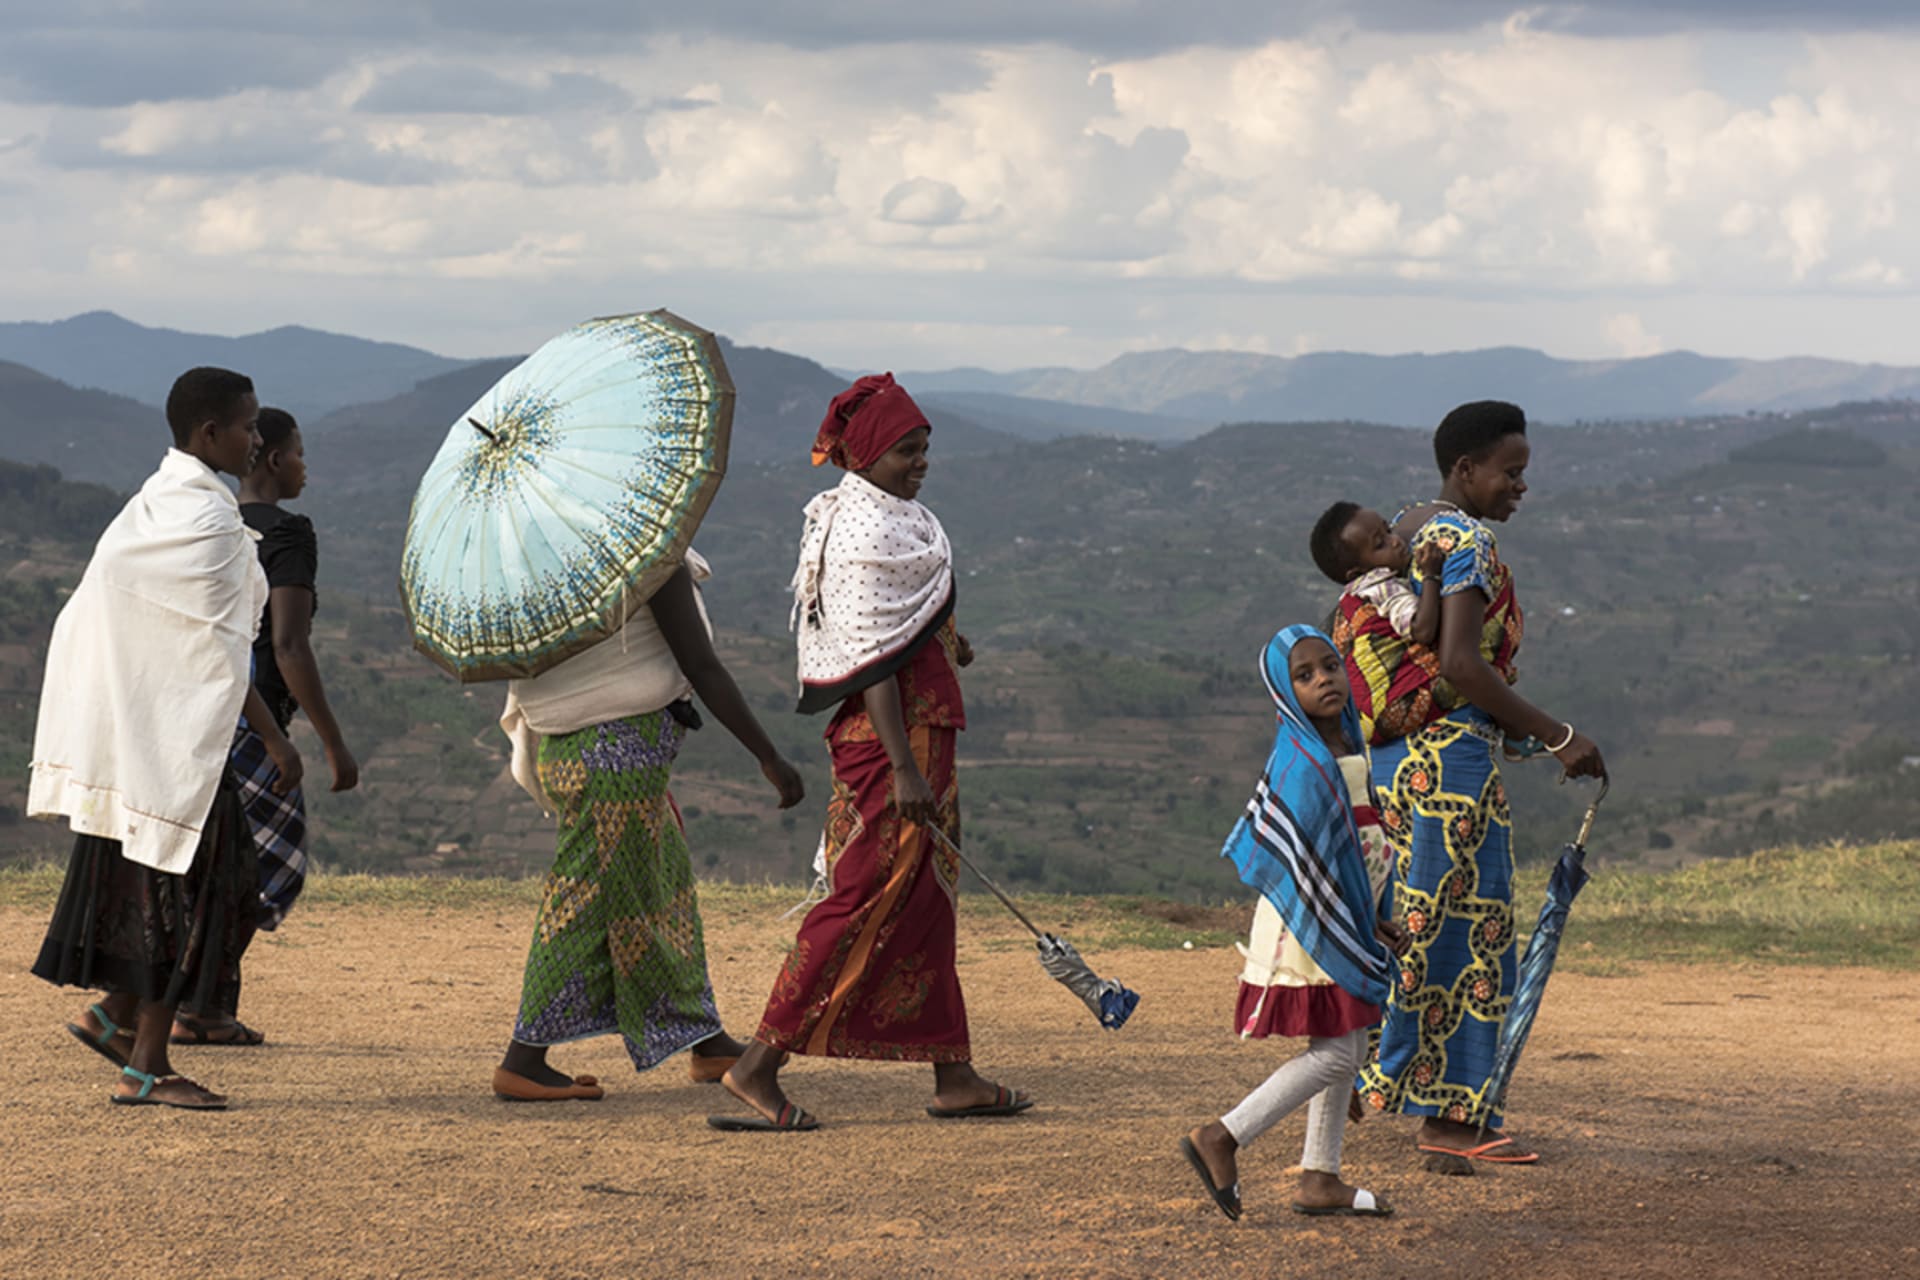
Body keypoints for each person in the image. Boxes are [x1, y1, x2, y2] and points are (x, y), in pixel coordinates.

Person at [713, 373, 1031, 1132]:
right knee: (860, 896)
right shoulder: (864, 530)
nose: (920, 463)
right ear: (865, 452)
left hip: (915, 732)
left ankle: (953, 1072)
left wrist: (950, 640)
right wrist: (904, 766)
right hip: (896, 742)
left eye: (924, 449)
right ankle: (757, 1065)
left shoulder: (873, 515)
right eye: (905, 451)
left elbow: (901, 625)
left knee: (925, 900)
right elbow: (873, 655)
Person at [30, 367, 303, 1110]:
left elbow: (194, 641)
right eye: (248, 427)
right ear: (210, 434)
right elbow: (215, 650)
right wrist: (277, 740)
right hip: (172, 743)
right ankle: (146, 1066)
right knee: (198, 895)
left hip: (149, 733)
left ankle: (113, 1015)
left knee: (201, 887)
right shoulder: (203, 521)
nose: (257, 440)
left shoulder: (155, 506)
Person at [1341, 400, 1605, 1166]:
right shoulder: (1465, 542)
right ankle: (1455, 1121)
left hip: (1396, 764)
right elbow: (1460, 663)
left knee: (1406, 925)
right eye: (1510, 472)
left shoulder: (1410, 524)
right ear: (1466, 469)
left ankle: (1372, 1082)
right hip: (1449, 774)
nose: (1520, 487)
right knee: (1467, 933)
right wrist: (1558, 736)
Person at [491, 550, 806, 1101]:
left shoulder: (543, 563)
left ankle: (704, 1040)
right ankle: (523, 1059)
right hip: (616, 757)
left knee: (663, 890)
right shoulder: (645, 557)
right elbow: (702, 665)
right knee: (583, 903)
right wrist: (768, 755)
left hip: (575, 751)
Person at [1181, 626, 1407, 1221]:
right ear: (1285, 693)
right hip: (1308, 922)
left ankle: (1320, 1177)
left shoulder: (1347, 745)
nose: (1324, 680)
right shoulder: (1304, 762)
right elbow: (1310, 863)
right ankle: (1224, 1135)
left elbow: (1360, 849)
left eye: (1330, 666)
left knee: (1347, 1040)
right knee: (1337, 1055)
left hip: (1346, 917)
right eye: (1304, 675)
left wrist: (1376, 919)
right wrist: (1352, 920)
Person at [173, 406, 359, 1046]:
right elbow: (288, 644)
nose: (306, 466)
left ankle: (198, 1002)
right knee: (267, 870)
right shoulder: (288, 535)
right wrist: (331, 743)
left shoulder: (212, 524)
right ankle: (202, 1003)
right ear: (275, 459)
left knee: (206, 865)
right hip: (252, 725)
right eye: (300, 453)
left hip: (195, 714)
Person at [1311, 501, 1447, 647]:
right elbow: (1423, 631)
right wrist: (1431, 575)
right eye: (1380, 544)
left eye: (1388, 530)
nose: (1395, 541)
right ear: (1358, 573)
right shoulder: (1381, 589)